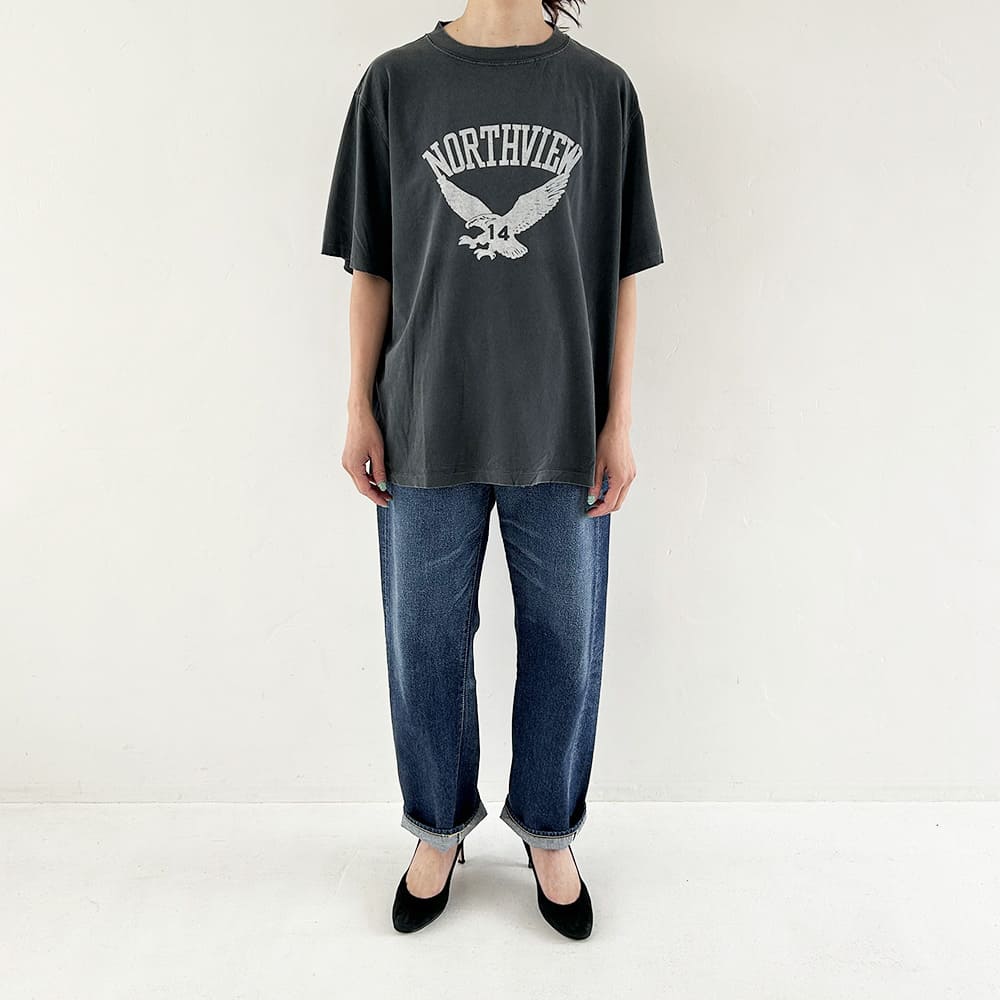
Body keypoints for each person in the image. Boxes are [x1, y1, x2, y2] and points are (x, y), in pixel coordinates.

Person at [321, 0, 663, 939]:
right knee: (424, 639)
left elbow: (624, 272)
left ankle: (549, 831)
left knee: (566, 639)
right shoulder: (395, 84)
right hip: (425, 416)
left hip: (563, 423)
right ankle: (438, 827)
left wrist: (619, 421)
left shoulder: (602, 92)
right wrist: (357, 406)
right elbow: (371, 266)